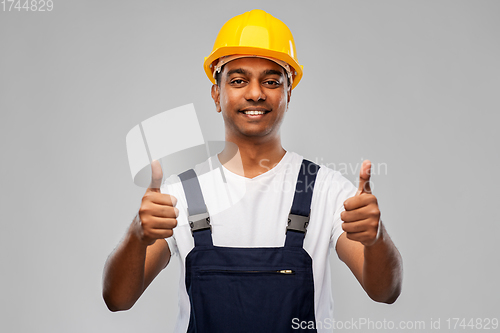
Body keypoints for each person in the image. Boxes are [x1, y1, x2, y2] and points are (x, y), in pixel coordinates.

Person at [102, 9, 403, 332]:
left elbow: (385, 292)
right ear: (217, 94)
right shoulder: (179, 195)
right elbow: (117, 299)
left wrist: (375, 239)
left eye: (272, 81)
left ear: (289, 93)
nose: (256, 92)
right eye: (238, 80)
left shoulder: (327, 190)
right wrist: (138, 233)